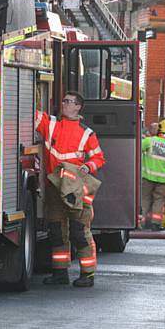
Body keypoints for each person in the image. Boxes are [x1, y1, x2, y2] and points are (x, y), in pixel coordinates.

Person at [35, 91, 106, 287]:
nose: (64, 104)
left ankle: (88, 274)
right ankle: (60, 273)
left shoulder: (87, 133)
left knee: (79, 231)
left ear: (78, 107)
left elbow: (99, 158)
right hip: (55, 186)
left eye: (69, 102)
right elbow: (31, 114)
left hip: (77, 189)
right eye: (64, 100)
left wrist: (88, 166)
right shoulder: (51, 124)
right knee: (57, 231)